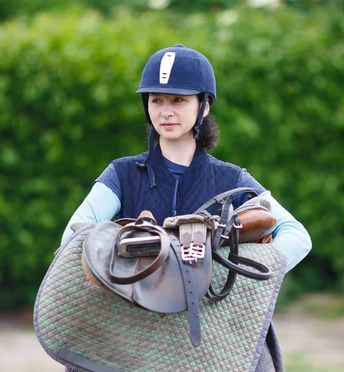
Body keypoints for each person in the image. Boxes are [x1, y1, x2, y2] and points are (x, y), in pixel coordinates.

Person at [61, 44, 311, 371]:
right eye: (157, 100)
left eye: (179, 100)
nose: (166, 111)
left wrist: (222, 266)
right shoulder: (121, 174)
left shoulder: (231, 179)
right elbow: (74, 234)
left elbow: (296, 235)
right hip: (133, 322)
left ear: (204, 106)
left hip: (210, 327)